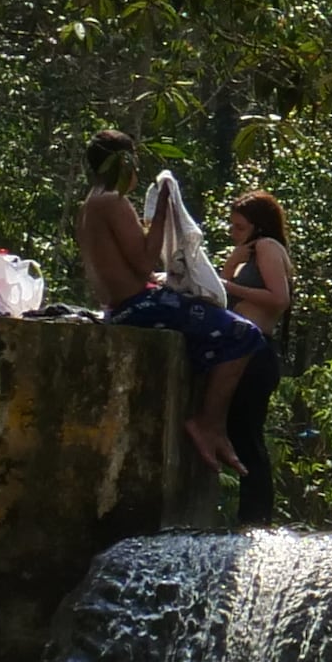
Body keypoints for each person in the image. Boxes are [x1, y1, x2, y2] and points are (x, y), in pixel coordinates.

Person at [78, 130, 259, 478]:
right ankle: (209, 424)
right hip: (139, 307)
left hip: (121, 306)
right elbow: (145, 261)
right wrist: (162, 209)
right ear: (124, 163)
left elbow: (126, 267)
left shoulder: (89, 204)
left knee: (207, 327)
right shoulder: (112, 201)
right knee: (243, 334)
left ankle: (211, 424)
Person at [223, 191, 295, 527]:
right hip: (242, 349)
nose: (233, 233)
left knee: (247, 435)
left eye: (239, 227)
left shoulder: (266, 247)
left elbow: (279, 298)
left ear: (257, 226)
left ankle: (256, 518)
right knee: (238, 431)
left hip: (256, 351)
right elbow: (221, 288)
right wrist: (234, 261)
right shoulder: (250, 251)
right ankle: (248, 515)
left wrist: (233, 285)